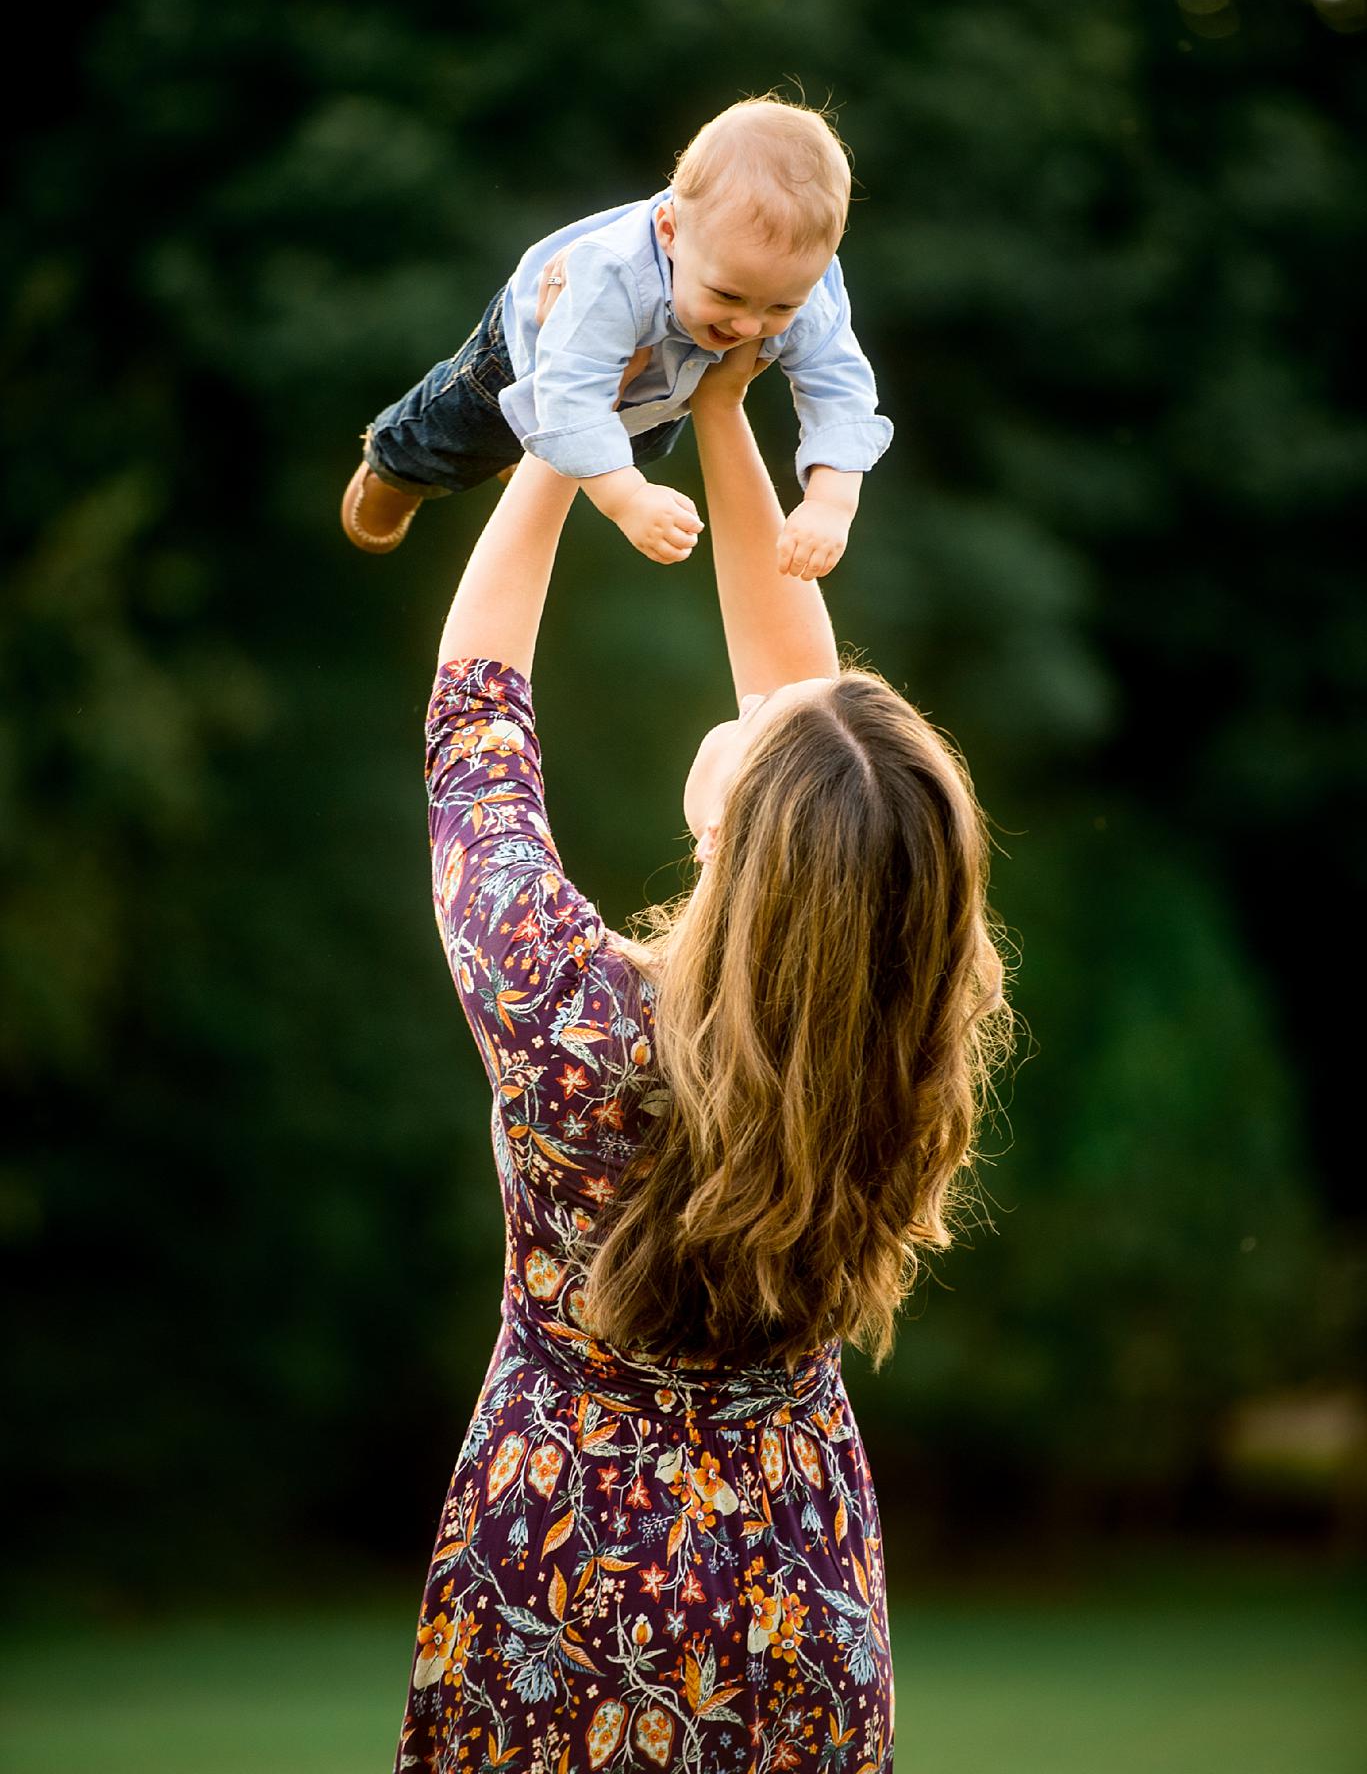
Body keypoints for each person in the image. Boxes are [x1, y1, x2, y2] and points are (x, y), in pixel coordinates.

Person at [391, 340, 1010, 1774]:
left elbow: (473, 719)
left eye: (757, 741)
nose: (759, 701)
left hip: (561, 1569)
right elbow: (821, 729)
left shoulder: (570, 1018)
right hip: (796, 1585)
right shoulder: (904, 1016)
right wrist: (723, 416)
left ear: (739, 841)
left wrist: (558, 437)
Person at [343, 95, 893, 581]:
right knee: (457, 433)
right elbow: (572, 392)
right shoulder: (614, 275)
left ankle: (549, 453)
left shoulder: (807, 284)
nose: (748, 327)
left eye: (781, 306)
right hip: (531, 359)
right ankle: (395, 464)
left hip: (661, 395)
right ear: (670, 234)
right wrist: (628, 499)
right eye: (727, 296)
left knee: (631, 444)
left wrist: (830, 504)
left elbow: (838, 387)